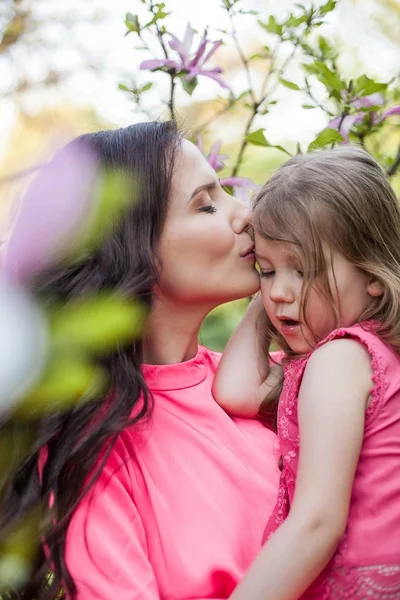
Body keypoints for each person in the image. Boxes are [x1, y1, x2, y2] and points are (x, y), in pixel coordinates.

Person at [1, 121, 280, 600]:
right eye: (206, 204)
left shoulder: (280, 376)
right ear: (134, 250)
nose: (246, 214)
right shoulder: (95, 450)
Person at [214, 146, 400, 599]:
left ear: (371, 272)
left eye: (304, 268)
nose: (278, 292)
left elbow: (317, 521)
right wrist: (283, 287)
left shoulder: (339, 360)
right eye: (266, 270)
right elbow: (237, 390)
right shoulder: (363, 355)